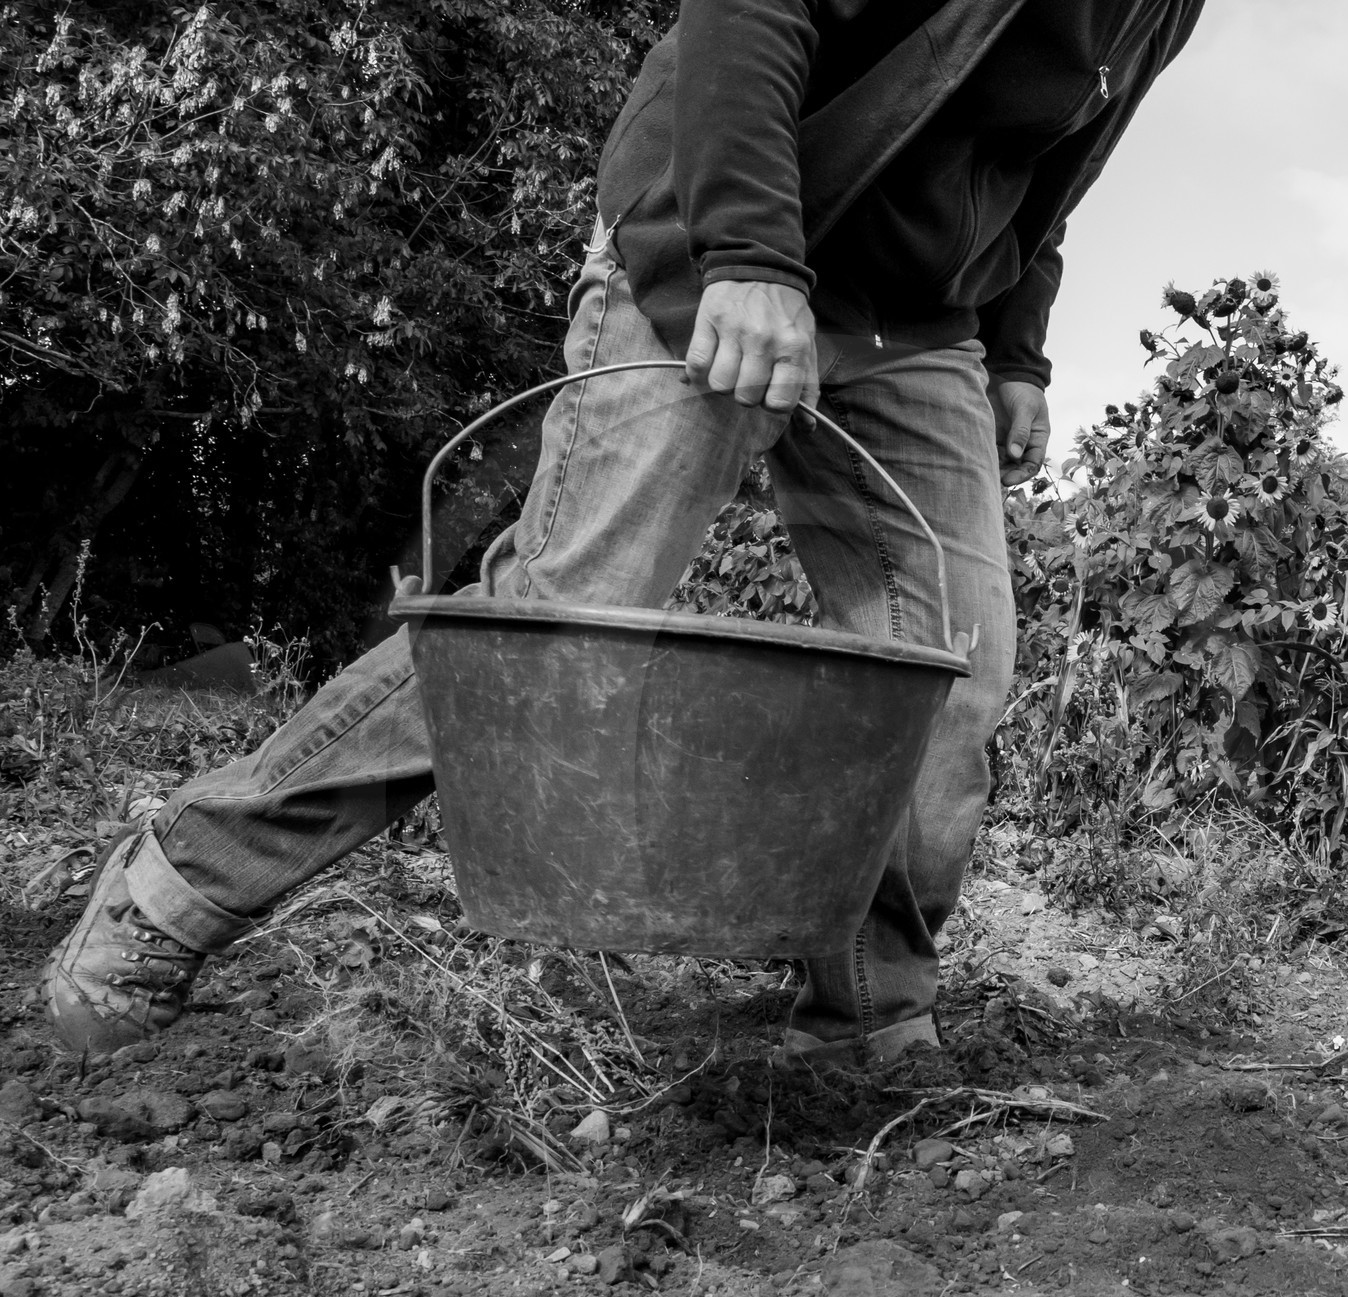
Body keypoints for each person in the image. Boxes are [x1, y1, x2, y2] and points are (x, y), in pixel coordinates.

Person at [45, 0, 1206, 1065]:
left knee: (948, 667)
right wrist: (751, 258)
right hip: (720, 249)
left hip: (915, 326)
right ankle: (179, 885)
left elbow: (1045, 166)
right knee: (547, 627)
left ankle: (865, 1013)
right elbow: (750, 12)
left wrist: (1015, 354)